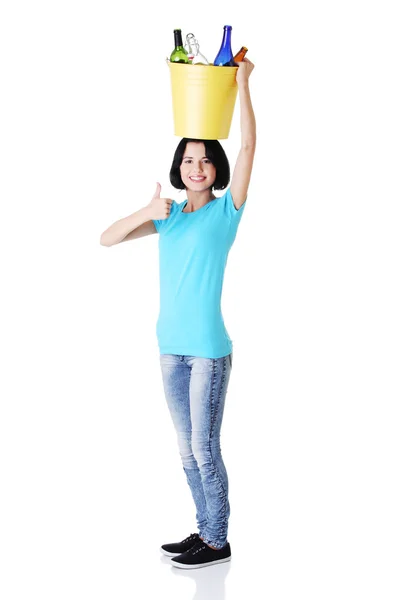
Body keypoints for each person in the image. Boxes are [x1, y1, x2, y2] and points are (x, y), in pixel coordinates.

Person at [100, 58, 256, 569]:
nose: (196, 167)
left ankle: (218, 540)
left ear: (216, 168)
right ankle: (204, 529)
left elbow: (250, 147)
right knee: (187, 451)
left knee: (205, 448)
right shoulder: (166, 220)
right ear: (179, 167)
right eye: (189, 160)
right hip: (170, 349)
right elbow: (108, 238)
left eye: (205, 160)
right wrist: (147, 211)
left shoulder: (225, 211)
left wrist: (244, 85)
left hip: (209, 351)